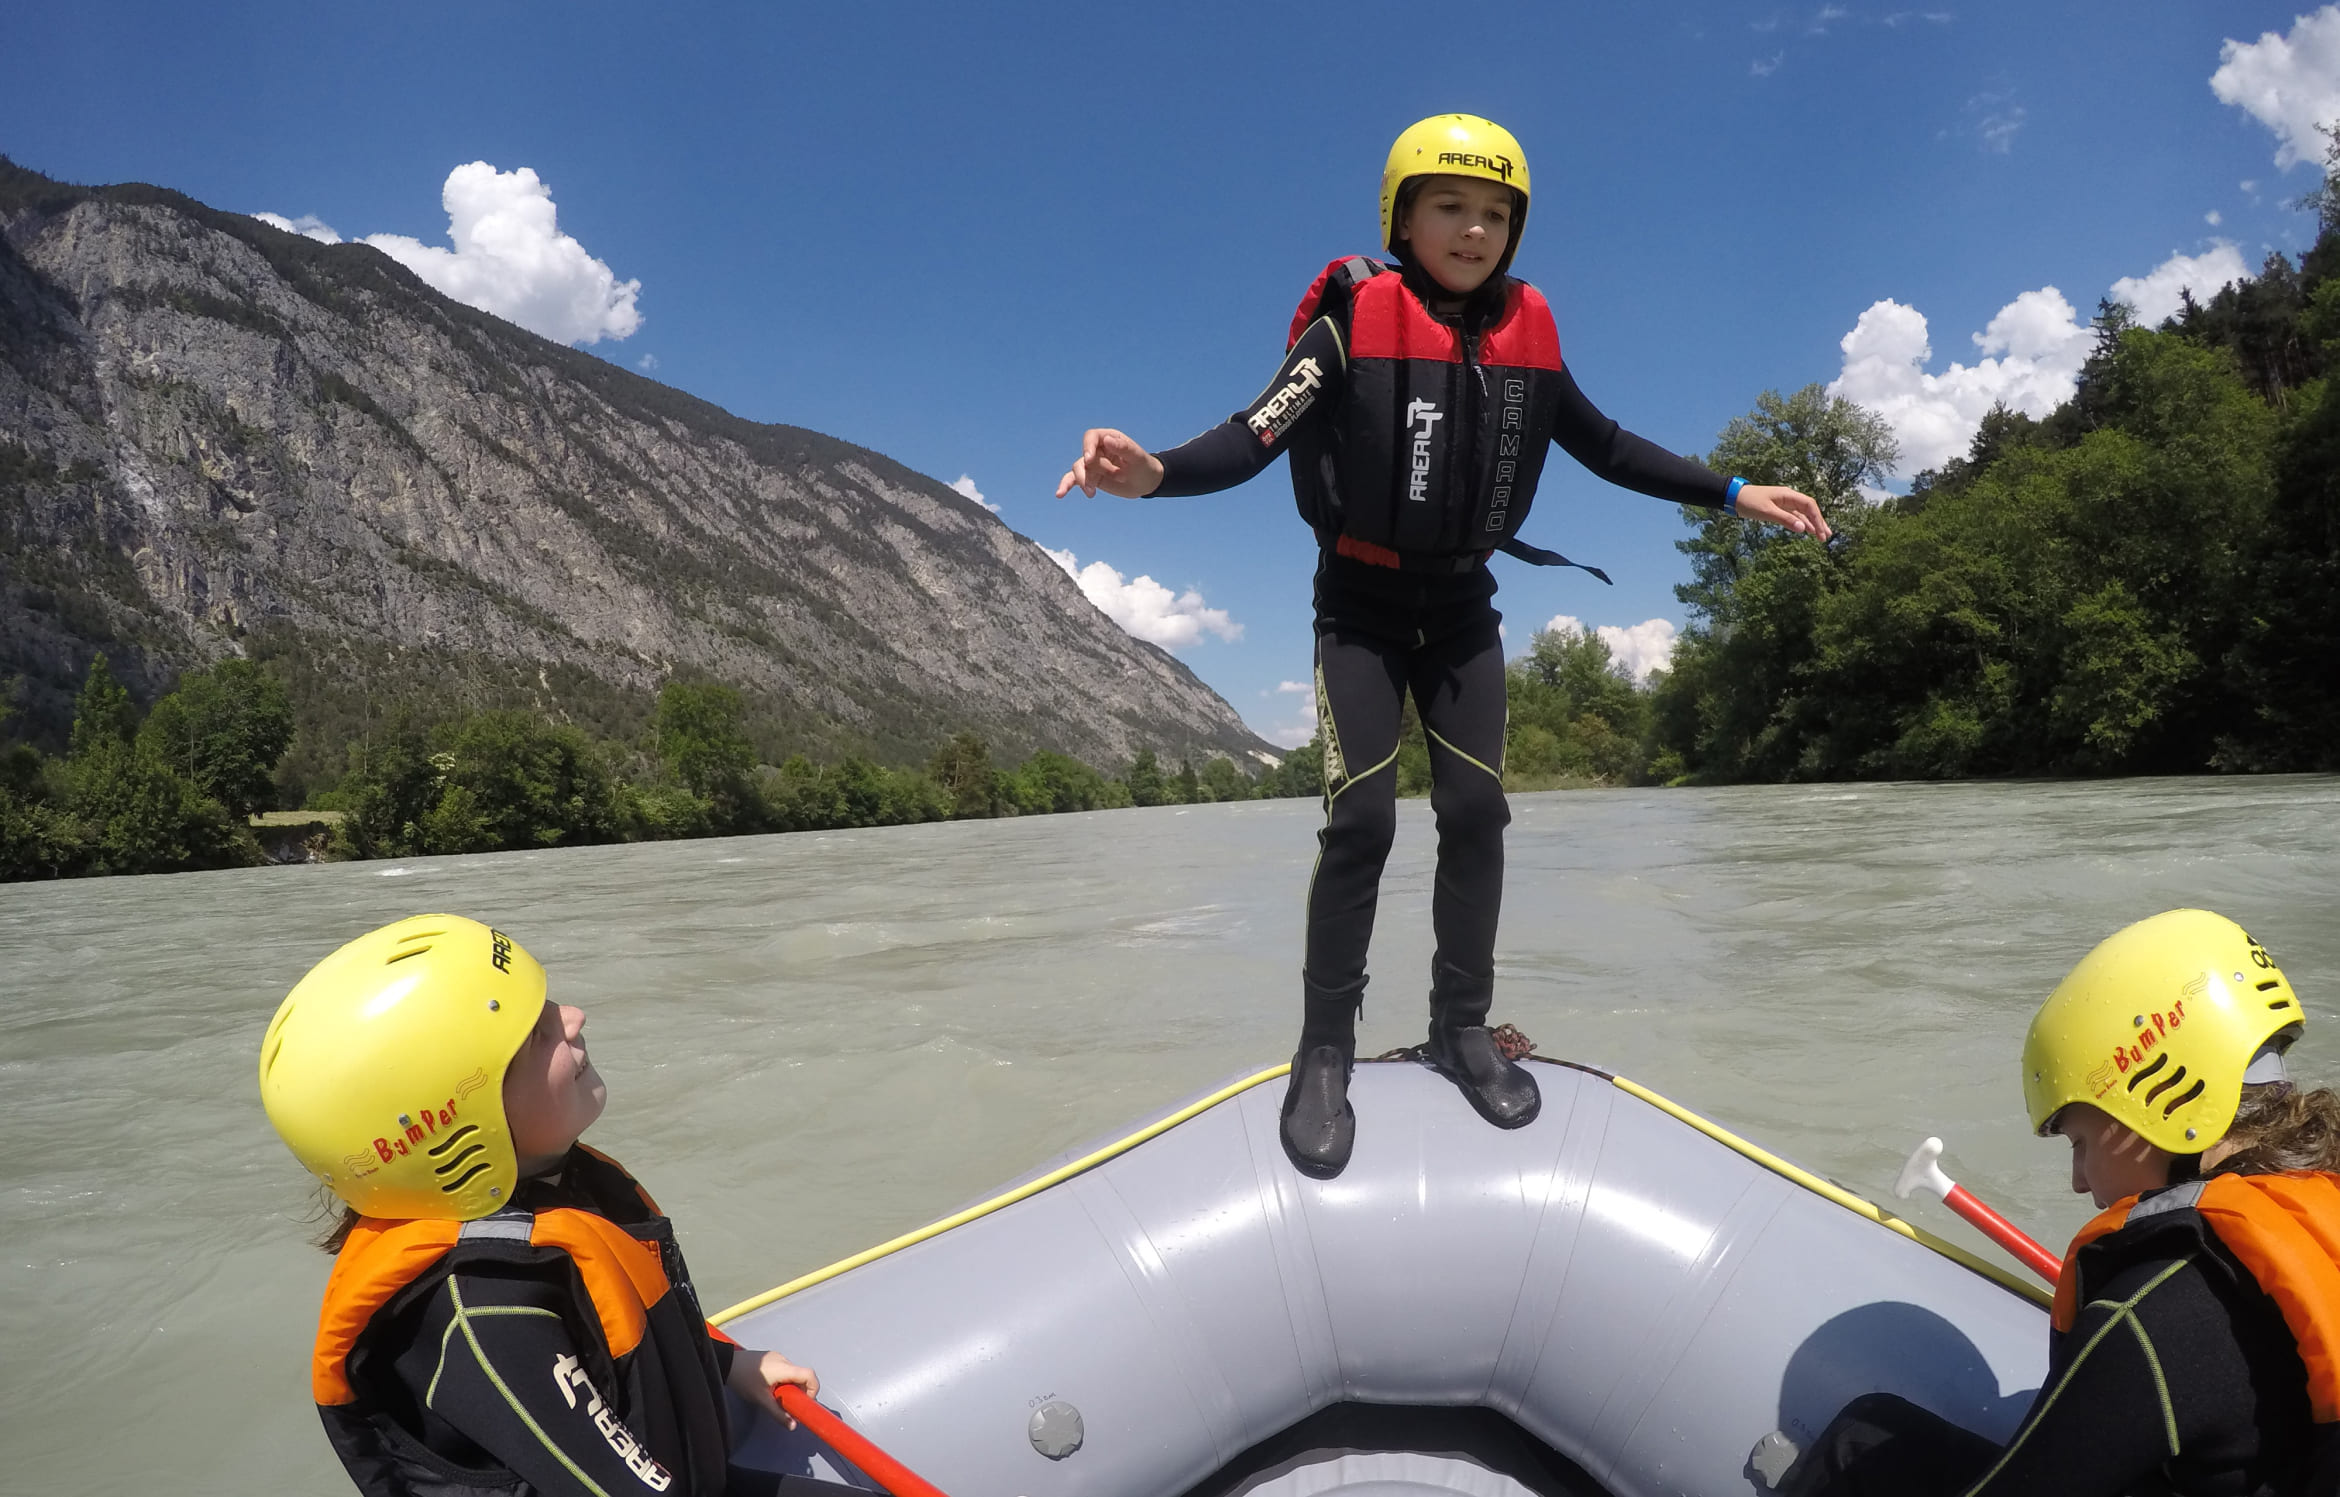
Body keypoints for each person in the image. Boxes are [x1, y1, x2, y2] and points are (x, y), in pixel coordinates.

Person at [1055, 113, 1832, 1178]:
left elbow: (1608, 448)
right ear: (1403, 218)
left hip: (1463, 606)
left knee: (1476, 812)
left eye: (1496, 214)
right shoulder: (1346, 325)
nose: (1474, 230)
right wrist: (1151, 472)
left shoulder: (1531, 338)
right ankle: (1323, 1047)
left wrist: (1736, 491)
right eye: (1450, 207)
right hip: (1360, 609)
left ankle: (1462, 1027)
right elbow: (1254, 432)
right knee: (1363, 820)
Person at [260, 914, 843, 1497]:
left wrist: (724, 1365)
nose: (574, 1017)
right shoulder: (484, 1311)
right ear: (461, 1125)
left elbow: (612, 1345)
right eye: (537, 1034)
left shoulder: (557, 1185)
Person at [1765, 909, 2340, 1496]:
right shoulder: (2321, 1208)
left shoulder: (2152, 1313)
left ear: (2150, 1105)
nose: (2078, 1182)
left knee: (1860, 1446)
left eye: (2079, 1142)